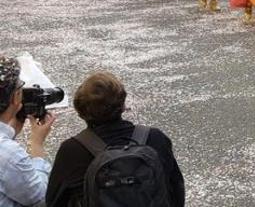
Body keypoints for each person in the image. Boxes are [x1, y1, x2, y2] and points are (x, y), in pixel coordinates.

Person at [46, 72, 184, 207]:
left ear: (80, 112)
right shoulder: (155, 138)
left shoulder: (71, 150)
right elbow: (175, 191)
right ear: (122, 105)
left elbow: (53, 200)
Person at [0, 55, 56, 207]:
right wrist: (36, 144)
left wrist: (11, 131)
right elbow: (40, 198)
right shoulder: (8, 154)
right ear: (15, 97)